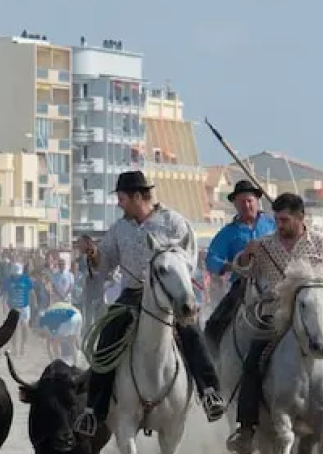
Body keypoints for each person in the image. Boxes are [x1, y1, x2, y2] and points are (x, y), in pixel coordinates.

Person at [77, 170, 227, 435]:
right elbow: (105, 264)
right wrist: (93, 254)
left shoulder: (174, 222)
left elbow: (188, 260)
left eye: (122, 198)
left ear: (137, 196)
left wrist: (171, 286)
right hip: (133, 294)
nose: (119, 204)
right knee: (106, 341)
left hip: (170, 295)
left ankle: (209, 393)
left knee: (192, 335)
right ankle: (93, 410)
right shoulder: (119, 228)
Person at [224, 191, 323, 454]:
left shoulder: (321, 244)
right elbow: (243, 271)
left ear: (301, 218)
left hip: (314, 315)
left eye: (285, 220)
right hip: (275, 314)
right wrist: (246, 255)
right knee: (252, 363)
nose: (280, 225)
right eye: (277, 220)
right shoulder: (265, 244)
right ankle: (246, 428)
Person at [200, 179, 275, 348]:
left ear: (257, 201)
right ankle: (214, 361)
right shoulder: (228, 232)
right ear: (235, 204)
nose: (246, 205)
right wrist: (229, 266)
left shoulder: (274, 224)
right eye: (241, 202)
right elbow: (212, 259)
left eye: (249, 201)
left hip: (275, 281)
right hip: (242, 284)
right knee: (214, 325)